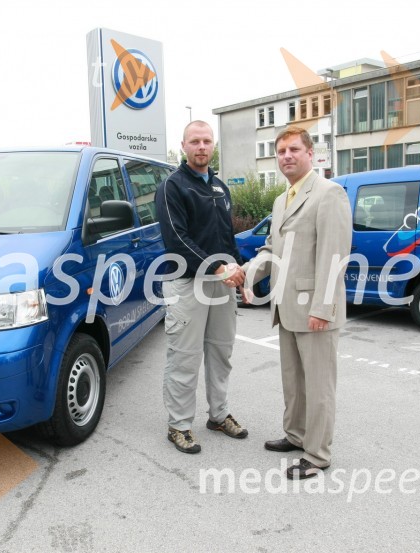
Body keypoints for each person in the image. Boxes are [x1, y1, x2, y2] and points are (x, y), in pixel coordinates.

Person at [242, 126, 351, 479]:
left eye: (293, 149)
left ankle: (317, 456)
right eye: (280, 151)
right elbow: (273, 252)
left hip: (314, 311)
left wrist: (323, 307)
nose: (286, 156)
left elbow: (335, 256)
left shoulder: (328, 193)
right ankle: (296, 435)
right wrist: (243, 273)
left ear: (310, 154)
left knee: (318, 387)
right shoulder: (281, 199)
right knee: (294, 382)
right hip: (286, 309)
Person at [154, 120, 248, 454]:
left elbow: (226, 236)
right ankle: (178, 425)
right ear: (184, 146)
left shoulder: (221, 187)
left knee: (220, 353)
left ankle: (219, 415)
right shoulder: (172, 187)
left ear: (213, 145)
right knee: (184, 357)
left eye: (207, 141)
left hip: (222, 283)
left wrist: (238, 271)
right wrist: (220, 267)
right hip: (187, 283)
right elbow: (178, 240)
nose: (202, 147)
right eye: (195, 141)